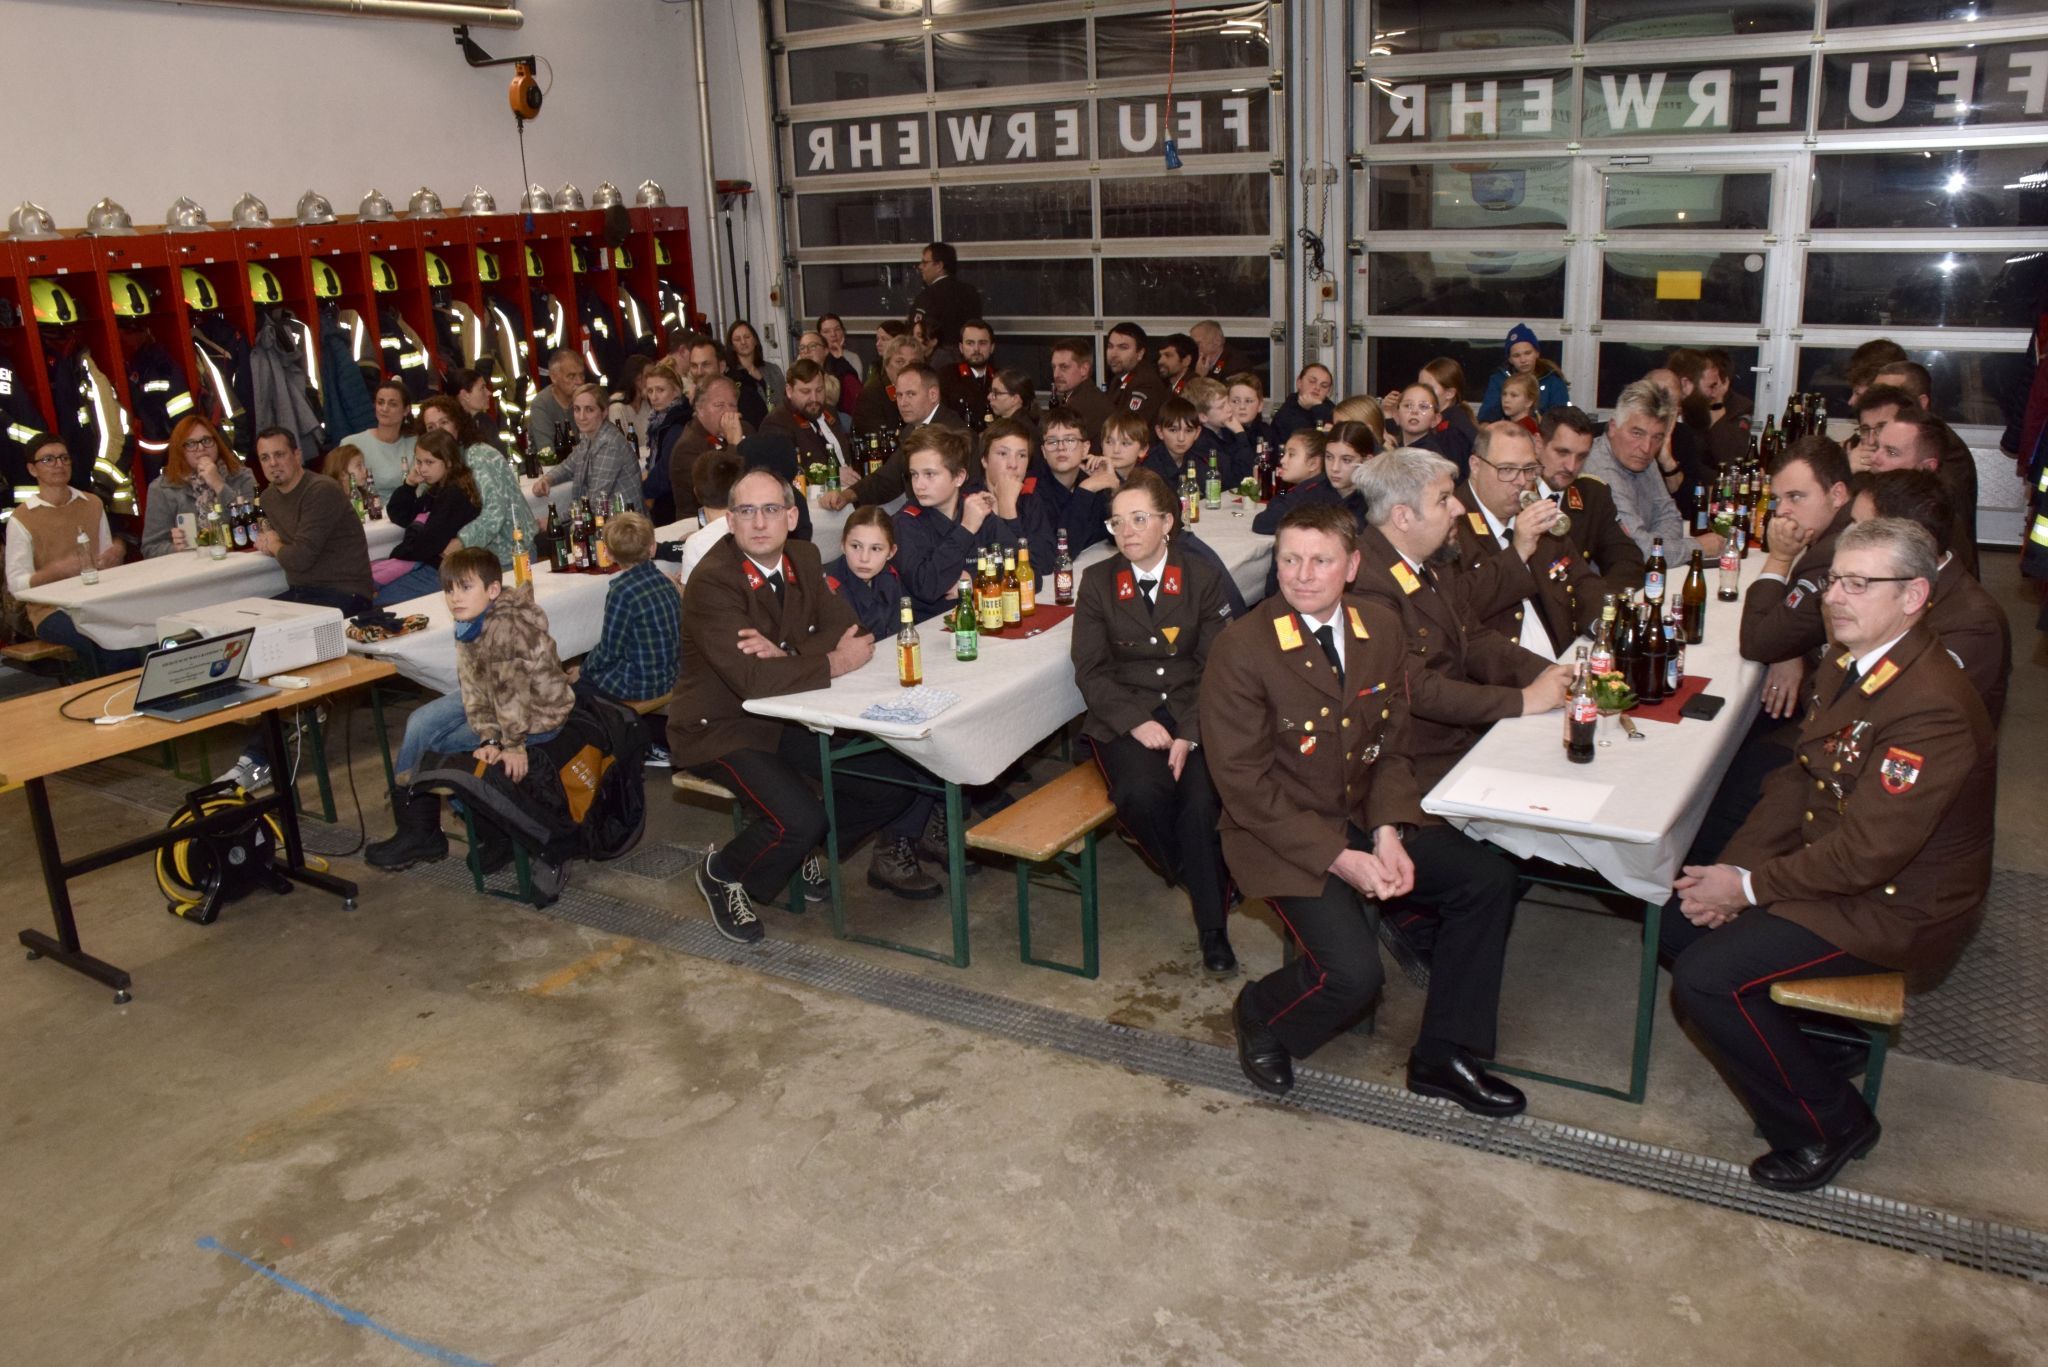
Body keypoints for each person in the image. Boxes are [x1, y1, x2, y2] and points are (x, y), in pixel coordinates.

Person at [1668, 518, 1996, 1192]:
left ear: (1913, 597)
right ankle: (1817, 1044)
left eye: (1860, 583)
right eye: (1833, 580)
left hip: (1899, 905)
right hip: (1847, 867)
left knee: (1705, 978)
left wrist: (1750, 887)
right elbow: (1801, 779)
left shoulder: (1931, 705)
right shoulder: (1853, 659)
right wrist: (1730, 870)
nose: (1836, 596)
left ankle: (1828, 1123)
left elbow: (1868, 856)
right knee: (1680, 919)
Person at [1203, 500, 1525, 1115]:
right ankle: (1262, 1011)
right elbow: (1243, 785)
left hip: (1361, 809)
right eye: (1289, 559)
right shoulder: (1242, 648)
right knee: (1354, 977)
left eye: (1320, 560)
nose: (1301, 574)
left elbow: (1394, 745)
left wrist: (1387, 829)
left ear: (1351, 566)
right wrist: (1341, 857)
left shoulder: (1380, 627)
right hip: (1280, 831)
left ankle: (1442, 1054)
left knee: (1487, 879)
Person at [673, 467, 943, 942]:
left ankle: (796, 855)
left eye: (771, 509)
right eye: (746, 511)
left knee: (893, 781)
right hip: (722, 725)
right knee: (801, 818)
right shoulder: (713, 582)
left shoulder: (803, 554)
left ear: (792, 517)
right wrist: (826, 660)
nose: (760, 522)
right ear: (730, 522)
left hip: (791, 711)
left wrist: (790, 656)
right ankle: (723, 872)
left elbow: (853, 634)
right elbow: (752, 679)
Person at [1348, 448, 1572, 989]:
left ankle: (1428, 924)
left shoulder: (1430, 563)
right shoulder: (1368, 581)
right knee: (1514, 844)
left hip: (1448, 739)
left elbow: (1475, 639)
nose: (1457, 511)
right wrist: (1524, 702)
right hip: (1402, 758)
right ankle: (1428, 925)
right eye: (1444, 499)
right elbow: (1414, 689)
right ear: (1402, 515)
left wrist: (1561, 675)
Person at [1073, 471, 1237, 974]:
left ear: (1167, 522)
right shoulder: (1099, 582)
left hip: (1195, 709)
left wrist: (1189, 730)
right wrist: (1136, 721)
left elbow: (1216, 666)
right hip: (1125, 715)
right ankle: (1197, 875)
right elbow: (1092, 669)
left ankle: (1212, 930)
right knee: (1141, 796)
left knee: (1198, 804)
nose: (1126, 531)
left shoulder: (1201, 578)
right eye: (1117, 522)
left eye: (1139, 519)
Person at [366, 546, 577, 874]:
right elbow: (473, 686)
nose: (454, 598)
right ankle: (418, 831)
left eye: (465, 588)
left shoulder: (508, 625)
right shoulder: (468, 622)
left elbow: (513, 693)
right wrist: (489, 735)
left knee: (447, 750)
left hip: (536, 711)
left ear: (493, 590)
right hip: (499, 703)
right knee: (420, 722)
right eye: (449, 589)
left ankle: (493, 833)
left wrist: (510, 744)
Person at [1851, 469, 2009, 722]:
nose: (1847, 539)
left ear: (1910, 543)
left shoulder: (1972, 623)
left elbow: (1897, 705)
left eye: (1862, 530)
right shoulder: (1889, 581)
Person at [1445, 422, 1599, 658]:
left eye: (1529, 469)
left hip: (1564, 658)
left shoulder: (1534, 514)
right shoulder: (1450, 524)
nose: (1521, 481)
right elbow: (1453, 610)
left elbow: (1582, 581)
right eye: (1507, 469)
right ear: (1475, 466)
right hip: (1501, 679)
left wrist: (1601, 624)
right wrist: (1517, 554)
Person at [4, 433, 138, 678]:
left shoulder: (92, 503)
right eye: (48, 460)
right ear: (32, 470)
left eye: (63, 458)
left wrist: (115, 552)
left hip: (97, 599)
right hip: (50, 610)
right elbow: (16, 584)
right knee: (103, 642)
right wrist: (55, 572)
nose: (58, 465)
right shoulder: (22, 519)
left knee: (140, 631)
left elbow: (106, 559)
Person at [578, 511, 682, 762]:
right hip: (670, 673)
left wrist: (583, 668)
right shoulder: (666, 582)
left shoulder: (622, 593)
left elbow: (610, 650)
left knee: (578, 691)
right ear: (652, 547)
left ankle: (623, 746)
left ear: (610, 554)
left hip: (640, 682)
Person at [1584, 379, 1721, 563]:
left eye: (1657, 437)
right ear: (1613, 428)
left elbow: (1671, 518)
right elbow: (1636, 550)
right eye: (1637, 433)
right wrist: (1698, 547)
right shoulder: (1600, 470)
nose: (1647, 448)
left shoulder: (1641, 458)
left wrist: (1655, 546)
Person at [253, 426, 374, 615]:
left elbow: (300, 558)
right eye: (265, 458)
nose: (273, 463)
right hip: (303, 592)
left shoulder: (321, 490)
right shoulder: (268, 498)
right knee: (250, 622)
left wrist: (274, 543)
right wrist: (269, 534)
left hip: (345, 592)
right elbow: (288, 545)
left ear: (297, 455)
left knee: (276, 630)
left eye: (279, 454)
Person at [892, 425, 1008, 621]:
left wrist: (974, 579)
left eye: (929, 474)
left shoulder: (975, 508)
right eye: (914, 474)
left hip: (982, 615)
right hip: (930, 628)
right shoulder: (905, 523)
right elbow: (927, 586)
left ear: (959, 477)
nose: (919, 485)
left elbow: (1023, 565)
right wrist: (966, 529)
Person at [829, 363, 970, 510]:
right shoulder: (910, 430)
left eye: (911, 394)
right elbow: (888, 478)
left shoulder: (955, 433)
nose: (903, 403)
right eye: (899, 395)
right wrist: (847, 495)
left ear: (933, 395)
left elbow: (968, 491)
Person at [419, 396, 534, 574]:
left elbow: (495, 511)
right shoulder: (447, 459)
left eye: (444, 422)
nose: (438, 431)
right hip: (481, 557)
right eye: (431, 427)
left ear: (457, 424)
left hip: (511, 554)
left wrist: (461, 541)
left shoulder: (478, 455)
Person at [1535, 406, 1645, 586]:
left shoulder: (1593, 495)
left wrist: (1599, 599)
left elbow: (1627, 559)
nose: (1571, 467)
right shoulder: (1515, 495)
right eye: (1563, 453)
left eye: (1581, 457)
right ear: (1538, 444)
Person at [373, 429, 479, 606]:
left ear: (449, 462)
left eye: (429, 462)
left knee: (381, 601)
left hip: (448, 571)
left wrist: (397, 554)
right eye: (419, 462)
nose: (422, 469)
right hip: (431, 564)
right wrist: (410, 484)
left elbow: (428, 543)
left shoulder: (454, 493)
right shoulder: (438, 489)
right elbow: (401, 514)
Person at [1870, 408, 1978, 576]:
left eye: (1891, 452)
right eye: (1877, 447)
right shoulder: (1871, 494)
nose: (1875, 458)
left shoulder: (1937, 525)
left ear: (1927, 467)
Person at [141, 414, 257, 557]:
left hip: (241, 561)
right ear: (179, 450)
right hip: (192, 572)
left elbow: (255, 527)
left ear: (217, 442)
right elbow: (150, 548)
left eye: (206, 440)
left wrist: (218, 484)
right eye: (190, 444)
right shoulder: (161, 489)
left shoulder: (242, 476)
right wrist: (176, 549)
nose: (201, 448)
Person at [533, 383, 641, 512]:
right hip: (607, 520)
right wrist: (547, 479)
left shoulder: (609, 444)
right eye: (577, 409)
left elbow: (595, 501)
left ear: (604, 412)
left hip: (625, 525)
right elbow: (568, 466)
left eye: (589, 409)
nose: (581, 417)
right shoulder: (589, 436)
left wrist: (556, 518)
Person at [761, 359, 853, 490]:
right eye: (806, 392)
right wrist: (831, 474)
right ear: (789, 391)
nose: (814, 399)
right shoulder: (777, 422)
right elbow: (783, 474)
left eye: (819, 390)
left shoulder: (829, 411)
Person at [669, 377, 751, 522]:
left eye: (732, 405)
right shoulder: (687, 447)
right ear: (700, 409)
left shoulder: (746, 429)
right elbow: (719, 493)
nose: (728, 412)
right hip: (698, 524)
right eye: (719, 405)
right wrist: (734, 445)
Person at [822, 506, 907, 642]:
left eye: (875, 548)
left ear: (891, 552)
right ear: (843, 545)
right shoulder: (828, 586)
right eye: (856, 546)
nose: (864, 558)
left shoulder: (889, 577)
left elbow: (898, 632)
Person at [909, 241, 983, 366]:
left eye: (925, 262)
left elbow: (917, 331)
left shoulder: (927, 296)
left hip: (936, 364)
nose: (920, 267)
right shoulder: (971, 292)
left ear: (939, 266)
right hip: (967, 363)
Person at [1475, 324, 1569, 422]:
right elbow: (1486, 419)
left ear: (1537, 353)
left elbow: (1562, 421)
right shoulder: (1499, 380)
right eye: (1516, 355)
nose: (1523, 360)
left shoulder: (1553, 381)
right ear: (1510, 359)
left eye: (1528, 353)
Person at [678, 449, 744, 587]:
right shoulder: (753, 526)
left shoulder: (695, 544)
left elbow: (690, 599)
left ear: (696, 493)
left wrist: (675, 584)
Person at [344, 379, 418, 500]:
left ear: (406, 410)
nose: (384, 408)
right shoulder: (351, 444)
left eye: (392, 404)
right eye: (380, 402)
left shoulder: (416, 443)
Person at [639, 362, 693, 525]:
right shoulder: (659, 420)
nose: (654, 397)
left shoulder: (677, 423)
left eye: (660, 390)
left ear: (676, 391)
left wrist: (642, 490)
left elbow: (666, 471)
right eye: (650, 391)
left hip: (674, 503)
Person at [1050, 336, 1113, 442]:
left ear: (1084, 369)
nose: (1056, 374)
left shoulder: (1082, 406)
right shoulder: (1087, 395)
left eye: (1064, 367)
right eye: (1053, 367)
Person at [1419, 358, 1477, 468]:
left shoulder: (1452, 431)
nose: (1420, 392)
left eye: (1428, 388)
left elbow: (1455, 474)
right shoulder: (1451, 420)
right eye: (1420, 386)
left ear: (1449, 393)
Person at [1104, 322, 1165, 427]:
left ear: (1140, 353)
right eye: (1110, 346)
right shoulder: (1119, 377)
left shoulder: (1146, 382)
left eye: (1123, 347)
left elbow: (1130, 428)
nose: (1113, 354)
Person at [725, 319, 783, 429]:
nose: (743, 342)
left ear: (755, 340)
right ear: (732, 346)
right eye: (737, 339)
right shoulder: (729, 376)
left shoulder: (773, 370)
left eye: (747, 337)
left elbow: (782, 402)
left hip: (775, 427)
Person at [940, 319, 997, 428]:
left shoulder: (1001, 378)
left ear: (992, 347)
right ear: (961, 348)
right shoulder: (946, 377)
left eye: (982, 343)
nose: (976, 349)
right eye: (970, 343)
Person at [527, 350, 587, 451]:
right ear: (554, 377)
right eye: (571, 376)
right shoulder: (541, 405)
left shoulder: (587, 398)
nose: (580, 381)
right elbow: (547, 451)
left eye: (581, 375)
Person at [1270, 363, 1334, 442]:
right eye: (1312, 381)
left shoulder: (1333, 411)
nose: (1317, 388)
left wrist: (1317, 407)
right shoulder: (1286, 412)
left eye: (1324, 386)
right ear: (1299, 383)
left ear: (1329, 391)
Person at [817, 313, 863, 420]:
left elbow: (853, 391)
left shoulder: (853, 358)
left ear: (843, 332)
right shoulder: (817, 357)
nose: (833, 334)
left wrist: (840, 358)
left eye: (837, 329)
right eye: (827, 331)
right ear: (819, 336)